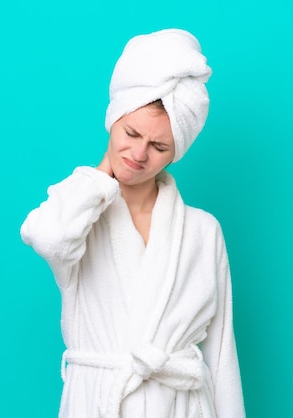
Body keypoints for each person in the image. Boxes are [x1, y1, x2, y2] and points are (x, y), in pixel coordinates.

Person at [20, 29, 245, 418]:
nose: (139, 154)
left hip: (182, 407)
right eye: (131, 133)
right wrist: (98, 179)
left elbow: (222, 356)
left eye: (159, 147)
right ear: (113, 119)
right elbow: (49, 238)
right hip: (99, 403)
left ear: (176, 153)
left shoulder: (202, 231)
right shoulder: (79, 217)